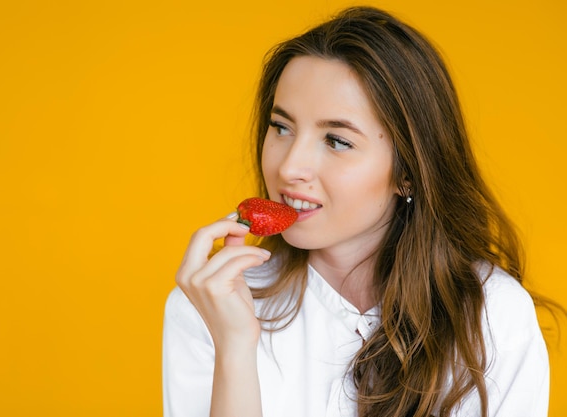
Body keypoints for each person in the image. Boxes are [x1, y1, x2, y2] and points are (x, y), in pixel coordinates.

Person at [162, 6, 550, 417]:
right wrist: (235, 349)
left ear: (409, 173)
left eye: (337, 141)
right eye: (281, 127)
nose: (289, 167)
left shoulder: (493, 317)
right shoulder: (210, 305)